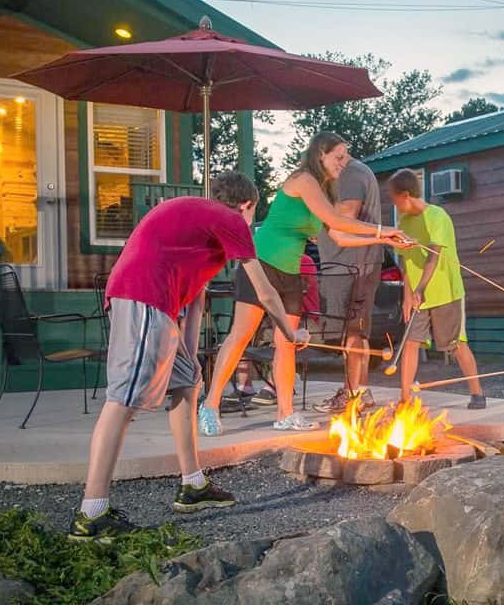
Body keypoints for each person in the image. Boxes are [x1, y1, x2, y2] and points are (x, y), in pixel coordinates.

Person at [70, 172, 310, 543]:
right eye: (253, 212)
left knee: (187, 381)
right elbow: (265, 292)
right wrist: (291, 335)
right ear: (247, 205)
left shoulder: (201, 221)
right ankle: (91, 514)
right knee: (122, 401)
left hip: (154, 303)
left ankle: (193, 485)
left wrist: (191, 356)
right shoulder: (231, 220)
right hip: (143, 296)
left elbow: (196, 296)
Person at [199, 132, 409, 435]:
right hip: (261, 264)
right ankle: (210, 405)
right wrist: (383, 228)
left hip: (291, 272)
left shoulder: (322, 192)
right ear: (320, 154)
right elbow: (336, 221)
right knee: (241, 335)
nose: (344, 162)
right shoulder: (303, 180)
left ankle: (285, 414)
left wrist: (383, 239)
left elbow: (338, 236)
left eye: (346, 157)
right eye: (339, 156)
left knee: (287, 344)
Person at [386, 169, 486, 409]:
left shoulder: (437, 216)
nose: (394, 204)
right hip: (418, 297)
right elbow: (407, 262)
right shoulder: (404, 223)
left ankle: (477, 393)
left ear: (406, 195)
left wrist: (421, 288)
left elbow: (434, 256)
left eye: (395, 199)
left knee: (455, 344)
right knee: (411, 342)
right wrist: (407, 296)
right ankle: (405, 399)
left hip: (445, 292)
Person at [314, 155, 384, 414]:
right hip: (349, 264)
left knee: (352, 331)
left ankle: (352, 394)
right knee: (355, 332)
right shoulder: (353, 173)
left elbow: (346, 213)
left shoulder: (351, 174)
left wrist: (319, 215)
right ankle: (359, 392)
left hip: (353, 266)